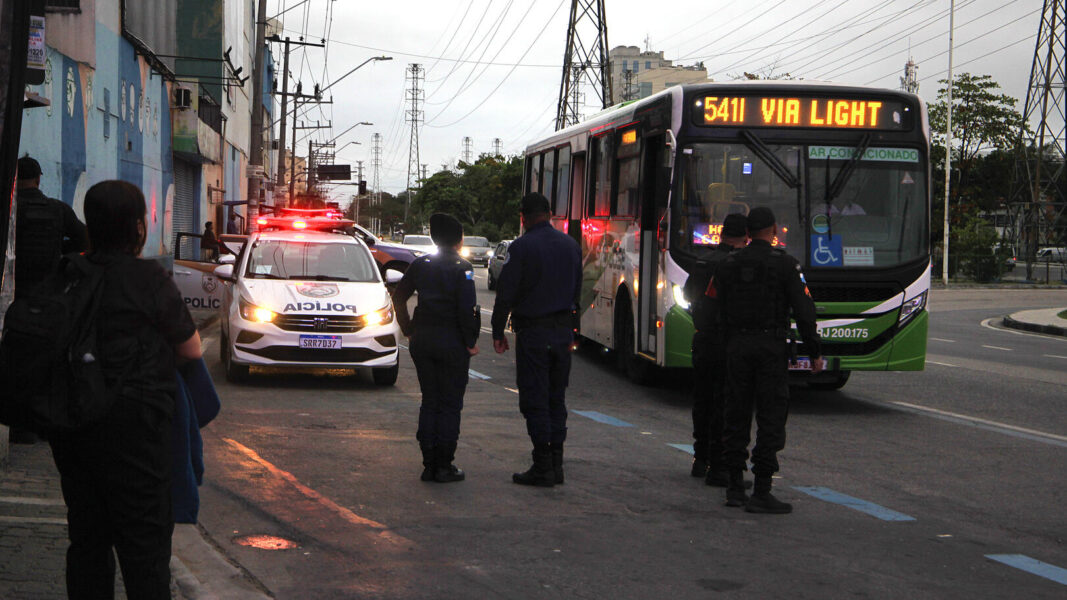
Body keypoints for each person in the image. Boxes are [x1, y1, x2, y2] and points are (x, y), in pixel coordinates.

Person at [47, 180, 203, 598]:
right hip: (137, 434)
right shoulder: (148, 277)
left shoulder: (67, 272)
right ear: (138, 228)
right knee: (145, 552)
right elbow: (191, 347)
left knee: (87, 541)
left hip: (74, 427)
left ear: (90, 226)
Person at [713, 207, 824, 514]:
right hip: (770, 349)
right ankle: (762, 489)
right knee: (771, 417)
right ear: (774, 229)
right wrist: (813, 351)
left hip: (736, 347)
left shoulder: (727, 264)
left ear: (747, 232)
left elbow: (714, 309)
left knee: (735, 414)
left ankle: (735, 487)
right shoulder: (786, 265)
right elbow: (804, 311)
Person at [492, 192, 582, 487]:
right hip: (562, 332)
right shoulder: (571, 245)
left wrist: (497, 332)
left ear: (524, 218)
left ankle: (542, 465)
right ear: (550, 214)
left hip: (534, 333)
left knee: (535, 399)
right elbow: (578, 291)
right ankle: (557, 464)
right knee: (557, 398)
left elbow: (505, 292)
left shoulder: (522, 247)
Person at [392, 213, 480, 483]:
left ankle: (428, 462)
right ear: (458, 238)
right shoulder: (462, 267)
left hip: (423, 339)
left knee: (430, 400)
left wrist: (408, 329)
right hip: (452, 341)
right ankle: (444, 463)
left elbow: (399, 296)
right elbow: (468, 310)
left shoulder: (421, 264)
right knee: (450, 404)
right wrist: (471, 342)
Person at [9, 156, 89, 445]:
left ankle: (18, 425)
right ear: (40, 179)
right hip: (48, 299)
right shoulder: (57, 210)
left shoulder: (11, 208)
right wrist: (59, 251)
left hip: (11, 296)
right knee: (47, 360)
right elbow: (84, 240)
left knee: (14, 358)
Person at [683, 213, 748, 485]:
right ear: (745, 236)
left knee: (703, 400)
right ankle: (720, 465)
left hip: (703, 338)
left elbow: (687, 295)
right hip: (729, 342)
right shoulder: (738, 265)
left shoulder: (703, 261)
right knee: (726, 403)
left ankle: (700, 459)